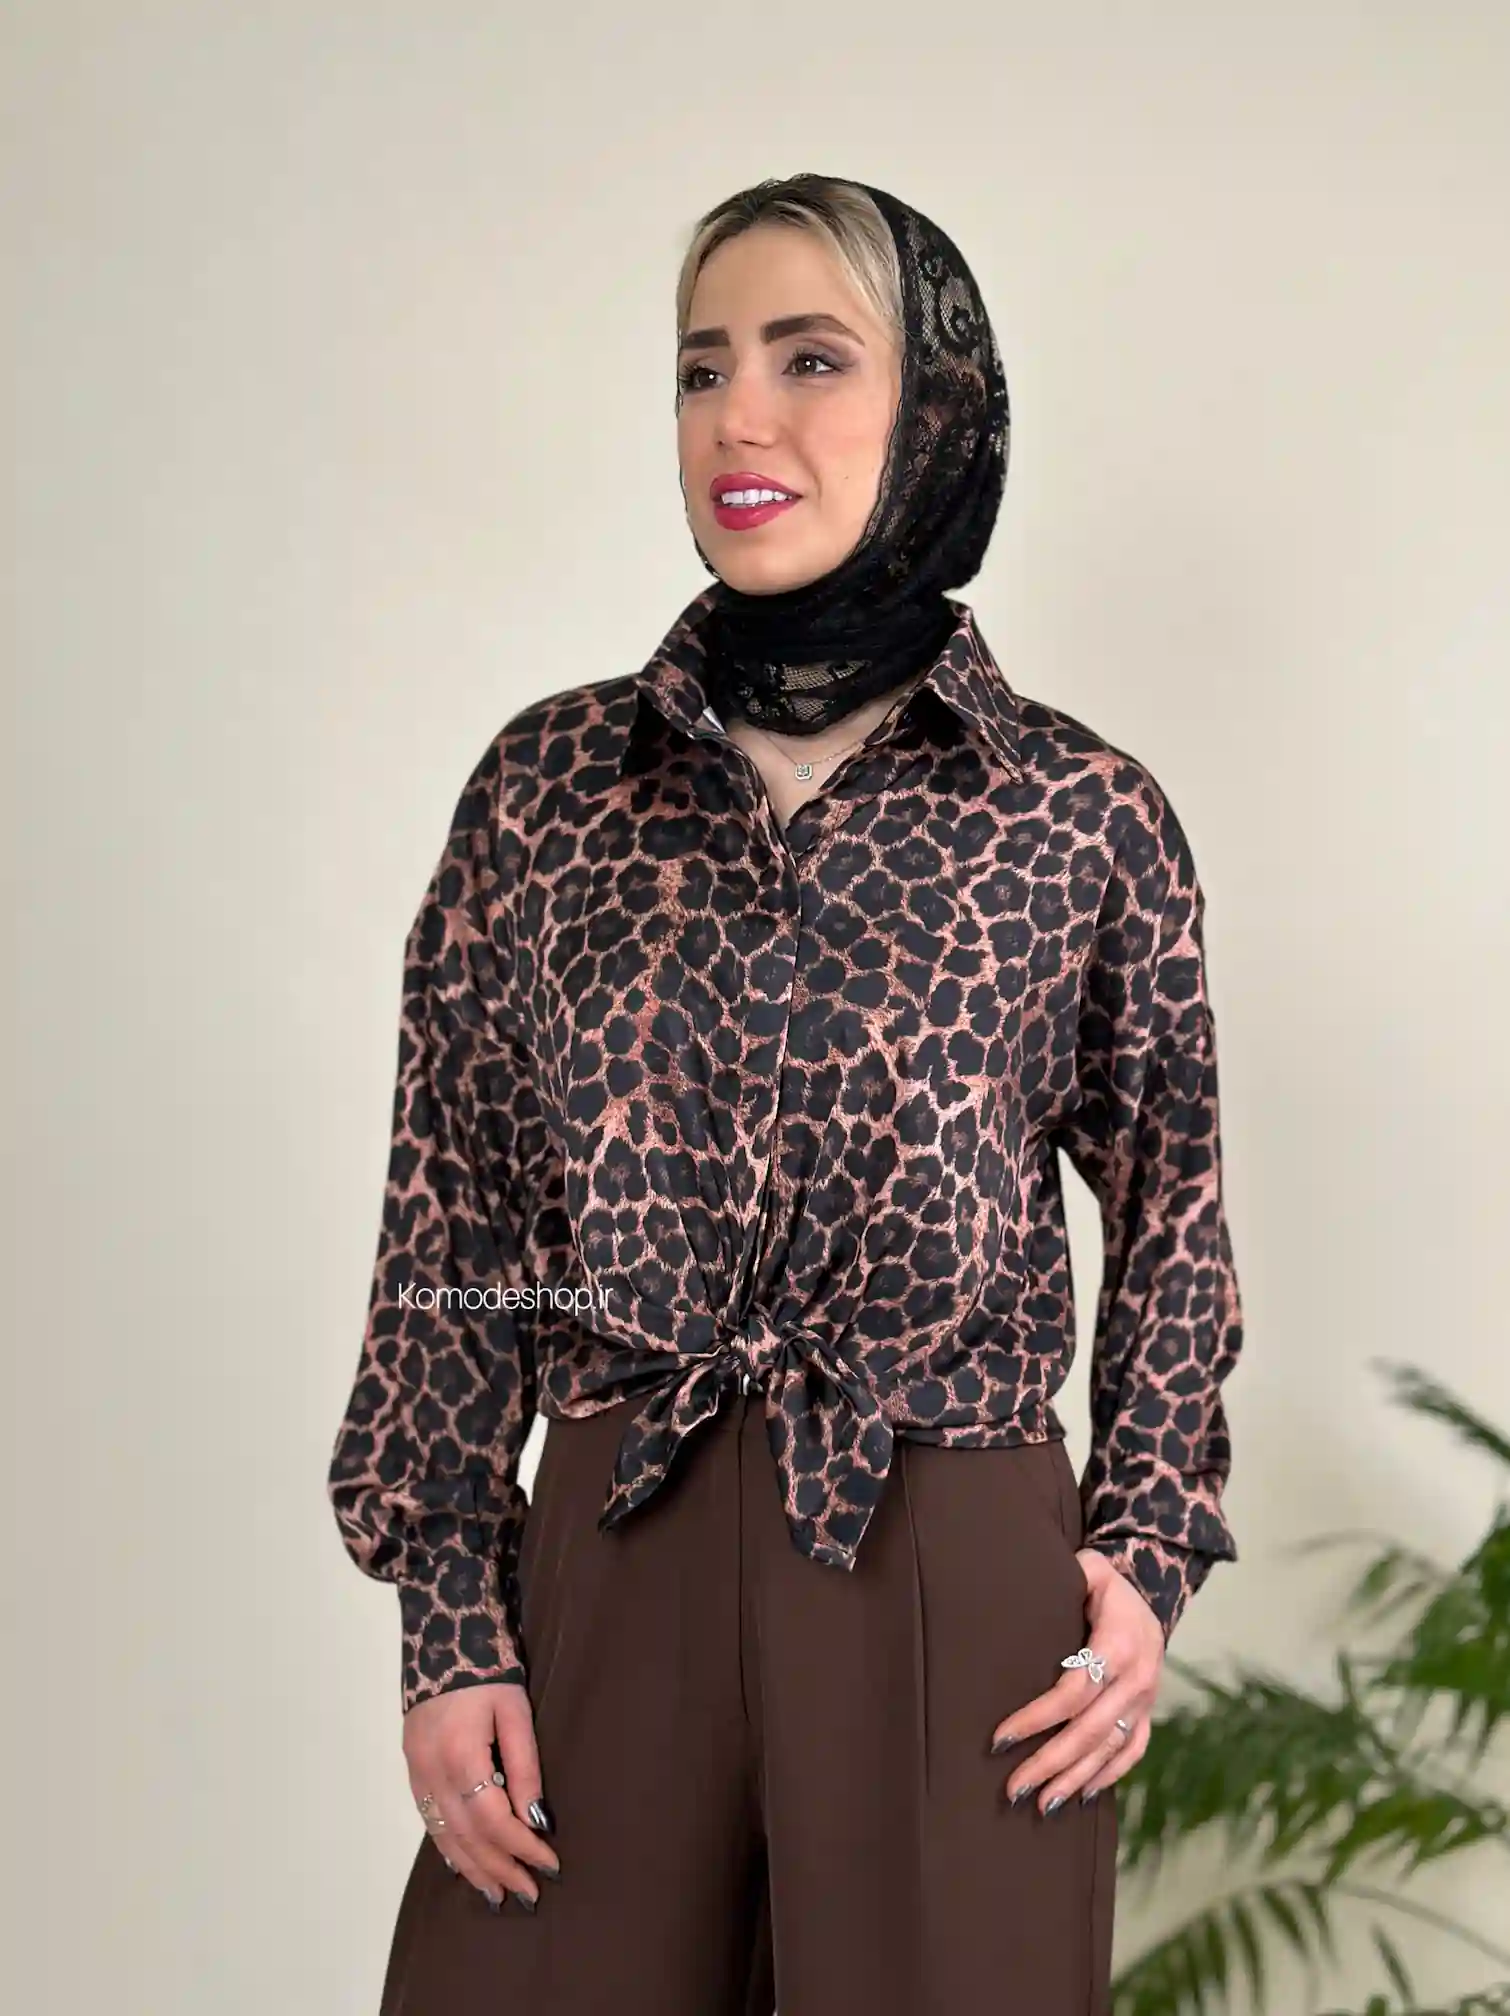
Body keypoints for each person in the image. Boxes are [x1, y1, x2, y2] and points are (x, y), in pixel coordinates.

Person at [327, 172, 1245, 2016]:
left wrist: (1142, 1551)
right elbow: (461, 1224)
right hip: (613, 1535)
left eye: (810, 359)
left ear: (935, 409)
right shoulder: (548, 790)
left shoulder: (1075, 812)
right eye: (701, 368)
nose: (739, 417)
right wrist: (449, 1621)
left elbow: (1173, 1212)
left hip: (954, 1556)